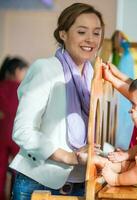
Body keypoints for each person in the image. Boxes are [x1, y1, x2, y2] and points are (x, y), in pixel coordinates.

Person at [9, 3, 104, 198]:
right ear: (63, 34)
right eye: (81, 32)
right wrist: (69, 156)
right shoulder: (46, 69)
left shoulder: (94, 76)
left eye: (96, 33)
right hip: (38, 183)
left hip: (82, 184)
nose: (90, 39)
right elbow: (22, 131)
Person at [0, 56, 28, 200]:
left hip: (1, 134)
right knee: (19, 169)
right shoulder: (21, 88)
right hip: (17, 135)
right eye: (25, 71)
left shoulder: (1, 86)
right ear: (17, 71)